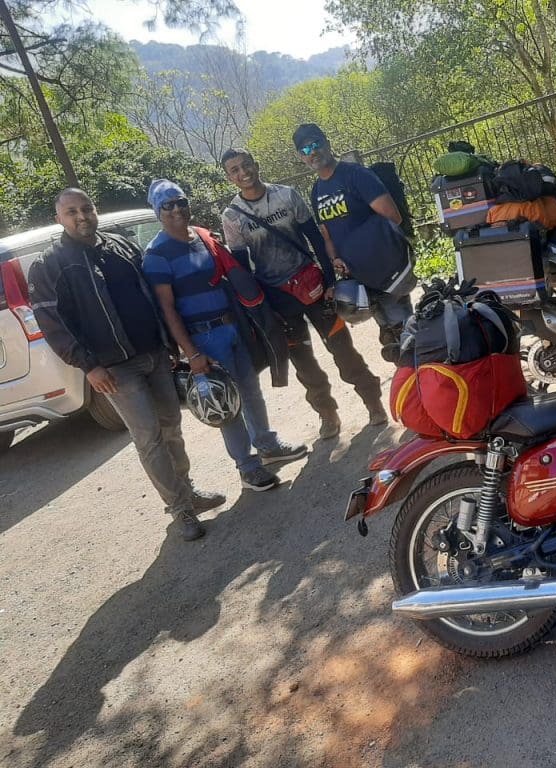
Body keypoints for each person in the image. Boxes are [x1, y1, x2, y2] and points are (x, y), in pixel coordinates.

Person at [28, 188, 225, 541]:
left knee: (172, 427)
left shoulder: (120, 246)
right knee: (149, 437)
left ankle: (188, 492)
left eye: (86, 208)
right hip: (114, 368)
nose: (81, 216)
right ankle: (180, 510)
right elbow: (53, 325)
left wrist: (168, 343)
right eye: (71, 211)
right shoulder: (50, 265)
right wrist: (88, 366)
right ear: (58, 218)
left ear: (95, 209)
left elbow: (150, 295)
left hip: (153, 353)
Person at [141, 179, 306, 492]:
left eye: (180, 201)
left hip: (232, 327)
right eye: (168, 205)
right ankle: (247, 467)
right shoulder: (157, 255)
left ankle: (267, 445)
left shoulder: (202, 236)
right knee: (225, 403)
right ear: (157, 212)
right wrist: (191, 353)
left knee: (250, 390)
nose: (177, 209)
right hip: (203, 339)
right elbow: (167, 310)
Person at [219, 148, 387, 435]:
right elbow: (242, 269)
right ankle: (327, 414)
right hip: (279, 299)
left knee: (342, 348)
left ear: (256, 164)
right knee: (304, 362)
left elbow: (317, 240)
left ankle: (373, 403)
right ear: (229, 177)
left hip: (315, 288)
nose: (243, 172)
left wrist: (331, 281)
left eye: (246, 164)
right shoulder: (232, 217)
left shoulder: (287, 195)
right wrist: (262, 309)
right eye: (234, 169)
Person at [291, 123, 414, 364]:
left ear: (327, 143)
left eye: (315, 144)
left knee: (407, 331)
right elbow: (327, 235)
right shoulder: (317, 191)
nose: (312, 152)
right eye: (305, 150)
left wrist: (363, 249)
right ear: (300, 157)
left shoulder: (355, 174)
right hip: (358, 278)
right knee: (389, 336)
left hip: (385, 267)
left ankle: (429, 381)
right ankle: (411, 385)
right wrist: (335, 259)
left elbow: (392, 216)